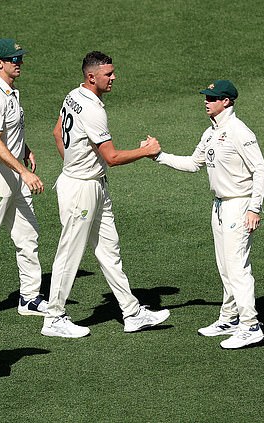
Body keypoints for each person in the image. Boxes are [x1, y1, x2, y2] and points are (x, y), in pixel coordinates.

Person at [41, 51, 171, 338]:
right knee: (69, 253)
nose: (113, 78)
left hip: (91, 184)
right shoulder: (94, 110)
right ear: (91, 77)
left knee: (109, 251)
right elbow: (111, 157)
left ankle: (132, 312)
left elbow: (55, 133)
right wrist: (146, 151)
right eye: (108, 74)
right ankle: (54, 318)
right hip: (82, 189)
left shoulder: (72, 95)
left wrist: (73, 165)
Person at [149, 79, 264, 349]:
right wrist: (158, 156)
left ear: (226, 101)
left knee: (237, 268)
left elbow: (261, 170)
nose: (206, 101)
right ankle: (229, 318)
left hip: (239, 204)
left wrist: (254, 207)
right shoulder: (211, 132)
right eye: (206, 97)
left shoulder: (239, 131)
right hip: (219, 206)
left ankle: (251, 325)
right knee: (225, 267)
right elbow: (194, 164)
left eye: (212, 98)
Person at [0, 38, 47, 324]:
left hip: (13, 173)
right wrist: (24, 172)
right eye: (14, 59)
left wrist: (24, 149)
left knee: (28, 236)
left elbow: (8, 132)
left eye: (20, 58)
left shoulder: (10, 92)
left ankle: (29, 297)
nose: (20, 63)